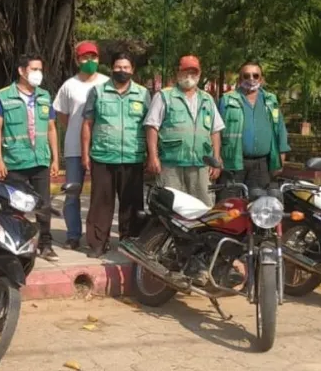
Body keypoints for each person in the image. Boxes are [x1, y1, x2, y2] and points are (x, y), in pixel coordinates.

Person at [0, 54, 60, 261]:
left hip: (40, 160)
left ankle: (45, 244)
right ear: (22, 71)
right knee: (14, 205)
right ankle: (14, 244)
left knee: (43, 205)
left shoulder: (45, 96)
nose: (38, 73)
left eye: (40, 69)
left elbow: (51, 128)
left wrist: (55, 158)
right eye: (34, 69)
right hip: (14, 160)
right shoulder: (4, 97)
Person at [81, 51, 149, 258]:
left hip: (133, 156)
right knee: (100, 204)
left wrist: (151, 155)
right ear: (112, 68)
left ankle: (130, 242)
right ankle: (98, 244)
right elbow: (87, 124)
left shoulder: (143, 94)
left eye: (126, 67)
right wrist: (85, 154)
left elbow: (150, 126)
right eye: (118, 67)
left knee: (131, 204)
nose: (122, 71)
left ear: (132, 70)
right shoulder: (97, 92)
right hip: (103, 156)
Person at [144, 55, 223, 205]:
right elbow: (152, 127)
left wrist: (216, 159)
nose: (189, 76)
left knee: (203, 208)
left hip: (201, 165)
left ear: (199, 74)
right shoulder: (164, 96)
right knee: (171, 207)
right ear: (178, 72)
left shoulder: (207, 99)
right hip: (171, 165)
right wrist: (153, 157)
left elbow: (215, 130)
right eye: (185, 71)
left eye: (193, 72)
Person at [53, 40, 109, 250]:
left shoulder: (106, 83)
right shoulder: (69, 86)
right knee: (72, 193)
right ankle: (73, 235)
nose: (90, 61)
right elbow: (62, 115)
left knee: (101, 195)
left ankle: (98, 237)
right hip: (74, 148)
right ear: (77, 60)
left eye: (93, 57)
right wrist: (76, 130)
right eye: (85, 57)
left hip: (101, 148)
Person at [217, 61, 291, 196]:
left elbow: (279, 127)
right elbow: (216, 130)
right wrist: (216, 157)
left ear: (261, 79)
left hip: (261, 165)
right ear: (240, 80)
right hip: (232, 162)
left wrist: (281, 155)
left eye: (255, 75)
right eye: (246, 76)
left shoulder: (270, 100)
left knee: (259, 204)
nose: (251, 79)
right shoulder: (227, 100)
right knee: (229, 203)